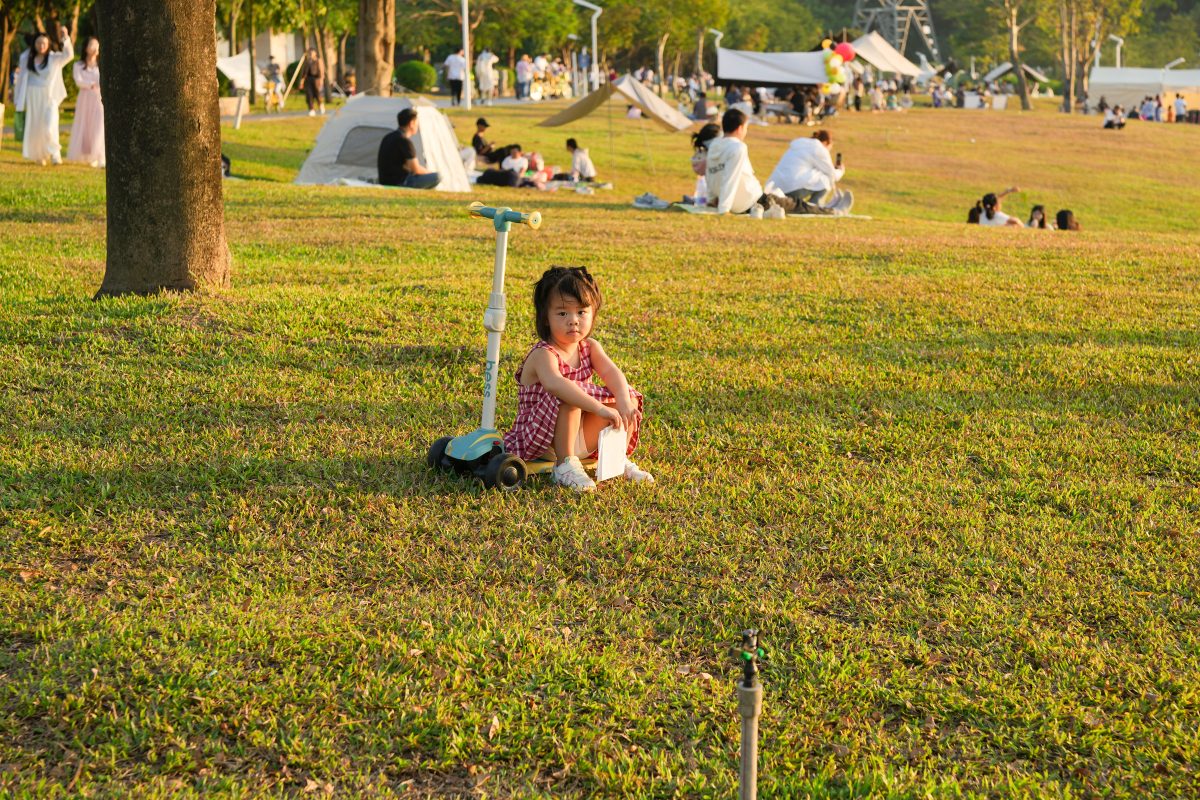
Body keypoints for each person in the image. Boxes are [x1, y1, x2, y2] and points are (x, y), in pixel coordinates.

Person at [502, 266, 653, 492]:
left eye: (581, 312)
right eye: (562, 313)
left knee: (626, 398)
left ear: (593, 313)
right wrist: (600, 410)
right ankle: (564, 466)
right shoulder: (543, 354)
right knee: (569, 394)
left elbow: (612, 373)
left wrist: (621, 399)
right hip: (541, 439)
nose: (573, 320)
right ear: (545, 318)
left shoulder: (589, 347)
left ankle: (616, 458)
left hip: (577, 433)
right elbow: (556, 384)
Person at [14, 27, 74, 165]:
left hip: (49, 96)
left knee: (50, 124)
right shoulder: (26, 58)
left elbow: (69, 55)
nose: (41, 46)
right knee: (36, 125)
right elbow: (22, 79)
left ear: (48, 45)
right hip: (32, 95)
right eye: (38, 43)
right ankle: (39, 155)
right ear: (34, 44)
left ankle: (55, 154)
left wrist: (65, 38)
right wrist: (17, 99)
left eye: (44, 43)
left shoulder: (54, 58)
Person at [766, 130, 851, 213]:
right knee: (826, 178)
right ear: (825, 143)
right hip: (792, 189)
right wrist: (840, 170)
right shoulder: (819, 148)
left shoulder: (798, 144)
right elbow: (832, 174)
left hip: (773, 189)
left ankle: (818, 207)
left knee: (819, 174)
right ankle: (817, 208)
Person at [377, 107, 439, 189]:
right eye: (417, 123)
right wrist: (429, 173)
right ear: (411, 123)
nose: (418, 125)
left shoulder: (388, 137)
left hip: (384, 180)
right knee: (437, 177)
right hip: (400, 182)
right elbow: (416, 169)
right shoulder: (404, 141)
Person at [67, 36, 104, 167]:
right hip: (85, 99)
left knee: (99, 125)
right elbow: (79, 81)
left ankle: (99, 155)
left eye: (97, 46)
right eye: (92, 45)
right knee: (86, 126)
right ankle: (90, 155)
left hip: (99, 99)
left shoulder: (102, 65)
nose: (95, 49)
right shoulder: (78, 65)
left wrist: (95, 85)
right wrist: (91, 84)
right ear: (86, 48)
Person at [302, 48, 324, 116]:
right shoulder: (307, 61)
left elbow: (321, 70)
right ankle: (311, 109)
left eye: (312, 53)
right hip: (308, 79)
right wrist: (302, 80)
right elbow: (304, 72)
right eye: (310, 53)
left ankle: (320, 105)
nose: (311, 54)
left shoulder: (318, 61)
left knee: (317, 94)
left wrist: (321, 79)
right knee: (309, 94)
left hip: (316, 79)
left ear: (315, 53)